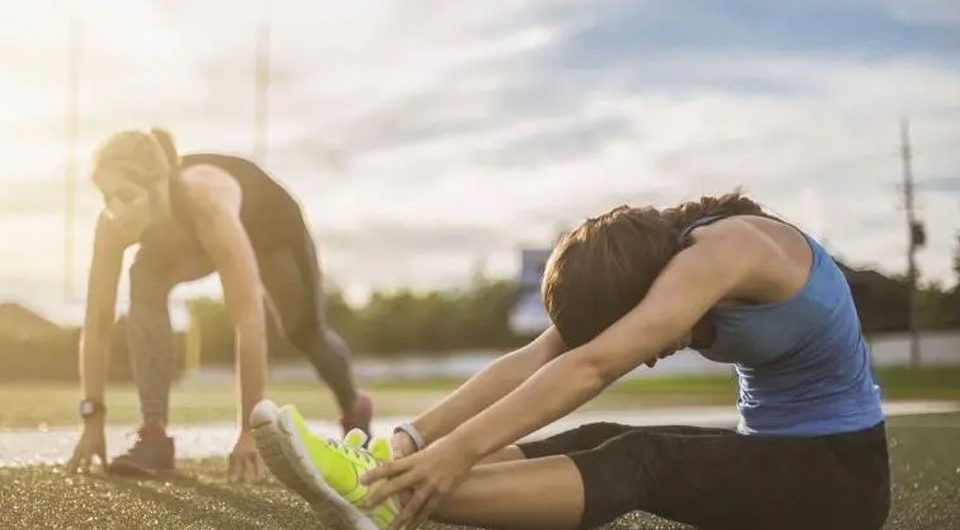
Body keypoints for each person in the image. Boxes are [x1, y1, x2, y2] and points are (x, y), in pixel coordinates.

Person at [252, 191, 891, 530]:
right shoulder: (651, 258)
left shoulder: (726, 254)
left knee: (640, 460)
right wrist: (414, 437)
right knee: (597, 437)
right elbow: (538, 358)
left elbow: (594, 367)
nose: (650, 358)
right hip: (776, 456)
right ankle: (388, 475)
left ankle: (394, 500)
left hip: (839, 483)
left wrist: (457, 457)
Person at [65, 127, 374, 481]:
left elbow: (247, 320)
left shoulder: (205, 200)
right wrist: (93, 417)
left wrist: (249, 431)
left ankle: (355, 406)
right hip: (184, 240)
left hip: (270, 231)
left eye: (125, 196)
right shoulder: (112, 223)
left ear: (158, 183)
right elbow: (98, 320)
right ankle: (153, 435)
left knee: (304, 332)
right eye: (106, 197)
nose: (114, 211)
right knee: (143, 279)